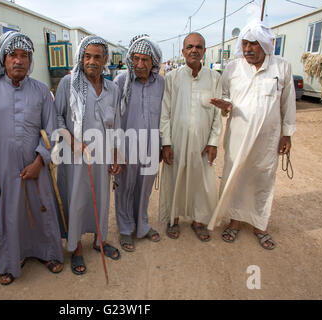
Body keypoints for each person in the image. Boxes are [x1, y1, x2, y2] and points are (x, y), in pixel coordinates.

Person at [0, 31, 64, 285]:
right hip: (3, 168)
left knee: (41, 207)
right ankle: (9, 261)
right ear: (3, 60)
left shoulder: (40, 91)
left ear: (30, 60)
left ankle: (47, 253)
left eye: (24, 55)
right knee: (9, 213)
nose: (18, 60)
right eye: (13, 55)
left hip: (37, 166)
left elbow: (51, 131)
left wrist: (40, 161)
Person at [209, 21, 296, 250]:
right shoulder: (233, 68)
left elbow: (288, 104)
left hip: (268, 139)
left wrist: (287, 135)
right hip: (238, 135)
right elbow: (226, 96)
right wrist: (223, 104)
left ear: (265, 45)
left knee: (263, 178)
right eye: (245, 44)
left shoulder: (282, 67)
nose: (248, 48)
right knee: (236, 176)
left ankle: (260, 225)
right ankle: (235, 222)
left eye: (253, 44)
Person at [55, 35, 122, 275]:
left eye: (97, 57)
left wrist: (116, 156)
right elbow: (58, 117)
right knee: (77, 199)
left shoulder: (113, 88)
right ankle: (75, 248)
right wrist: (72, 141)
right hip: (74, 156)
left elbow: (117, 125)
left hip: (102, 155)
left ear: (105, 60)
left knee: (102, 199)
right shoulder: (68, 83)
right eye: (87, 56)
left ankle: (99, 240)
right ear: (81, 58)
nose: (91, 61)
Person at [159, 32, 222, 242]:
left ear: (204, 51)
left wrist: (213, 142)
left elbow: (217, 115)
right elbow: (165, 113)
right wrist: (166, 142)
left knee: (200, 181)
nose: (194, 50)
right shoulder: (172, 78)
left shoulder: (214, 78)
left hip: (202, 142)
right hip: (176, 140)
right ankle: (173, 219)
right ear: (183, 51)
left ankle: (198, 220)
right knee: (175, 178)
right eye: (190, 46)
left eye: (198, 47)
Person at [113, 34, 165, 252]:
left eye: (145, 60)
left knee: (144, 189)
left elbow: (165, 115)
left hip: (152, 145)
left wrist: (163, 144)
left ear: (153, 61)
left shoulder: (161, 83)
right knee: (124, 188)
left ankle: (142, 225)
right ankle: (125, 229)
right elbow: (113, 117)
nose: (140, 64)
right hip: (126, 145)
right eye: (136, 59)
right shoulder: (121, 82)